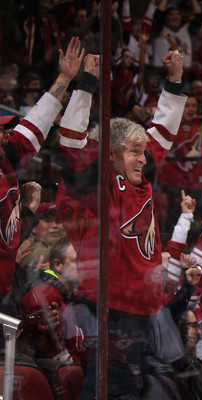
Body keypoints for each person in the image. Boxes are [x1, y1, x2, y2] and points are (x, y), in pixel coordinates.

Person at [55, 48, 187, 398]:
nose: (143, 159)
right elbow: (71, 144)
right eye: (134, 151)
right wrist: (85, 86)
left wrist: (174, 83)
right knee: (110, 391)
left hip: (144, 311)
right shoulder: (95, 188)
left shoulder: (140, 179)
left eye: (142, 152)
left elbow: (163, 135)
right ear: (110, 153)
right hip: (106, 313)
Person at [0, 37, 82, 315]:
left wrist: (65, 77)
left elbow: (37, 123)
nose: (5, 136)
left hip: (7, 285)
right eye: (0, 131)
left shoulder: (7, 156)